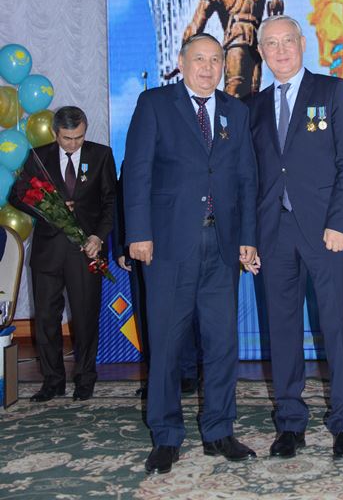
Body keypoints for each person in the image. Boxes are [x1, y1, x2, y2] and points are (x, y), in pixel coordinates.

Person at [123, 33, 258, 475]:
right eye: (199, 59)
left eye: (215, 59)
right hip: (167, 246)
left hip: (222, 246)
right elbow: (137, 172)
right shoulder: (155, 104)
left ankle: (219, 430)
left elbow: (247, 179)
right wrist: (138, 233)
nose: (207, 67)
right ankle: (166, 436)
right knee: (166, 344)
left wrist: (248, 237)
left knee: (222, 343)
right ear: (181, 63)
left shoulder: (236, 111)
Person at [247, 15, 343, 460]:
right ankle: (290, 423)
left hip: (327, 232)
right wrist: (249, 238)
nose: (280, 50)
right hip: (273, 235)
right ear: (261, 52)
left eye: (287, 41)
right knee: (282, 330)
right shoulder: (253, 106)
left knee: (336, 327)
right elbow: (251, 178)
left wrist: (341, 223)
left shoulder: (333, 91)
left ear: (302, 43)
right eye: (271, 43)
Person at [10, 106, 117, 402]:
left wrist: (98, 236)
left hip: (85, 250)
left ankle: (85, 379)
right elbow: (17, 196)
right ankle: (53, 380)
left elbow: (111, 201)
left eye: (79, 137)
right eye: (67, 138)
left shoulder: (101, 155)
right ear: (55, 133)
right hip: (48, 252)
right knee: (46, 318)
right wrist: (48, 211)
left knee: (85, 318)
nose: (73, 144)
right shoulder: (38, 157)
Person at [111, 168, 201, 397]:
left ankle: (188, 372)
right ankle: (157, 376)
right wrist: (121, 248)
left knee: (183, 310)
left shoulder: (183, 156)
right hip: (140, 250)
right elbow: (122, 202)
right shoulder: (136, 158)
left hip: (178, 246)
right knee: (147, 315)